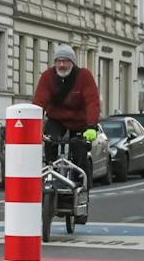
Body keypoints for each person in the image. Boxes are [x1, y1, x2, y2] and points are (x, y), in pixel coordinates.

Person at [33, 43, 101, 182]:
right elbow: (40, 102)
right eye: (58, 61)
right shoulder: (48, 77)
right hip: (56, 119)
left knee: (79, 149)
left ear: (73, 63)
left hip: (79, 121)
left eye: (65, 61)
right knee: (50, 142)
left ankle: (80, 182)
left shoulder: (84, 76)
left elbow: (92, 102)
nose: (62, 65)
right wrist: (34, 125)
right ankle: (51, 174)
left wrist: (92, 126)